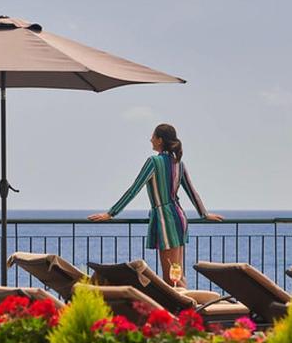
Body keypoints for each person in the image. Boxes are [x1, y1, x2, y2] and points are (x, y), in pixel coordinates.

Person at [88, 123, 223, 287]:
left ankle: (184, 311)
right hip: (179, 219)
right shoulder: (178, 163)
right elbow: (192, 192)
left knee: (171, 279)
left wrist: (111, 213)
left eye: (153, 136)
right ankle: (188, 309)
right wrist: (204, 214)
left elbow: (134, 189)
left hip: (166, 221)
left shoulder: (154, 162)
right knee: (178, 274)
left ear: (159, 140)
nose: (150, 139)